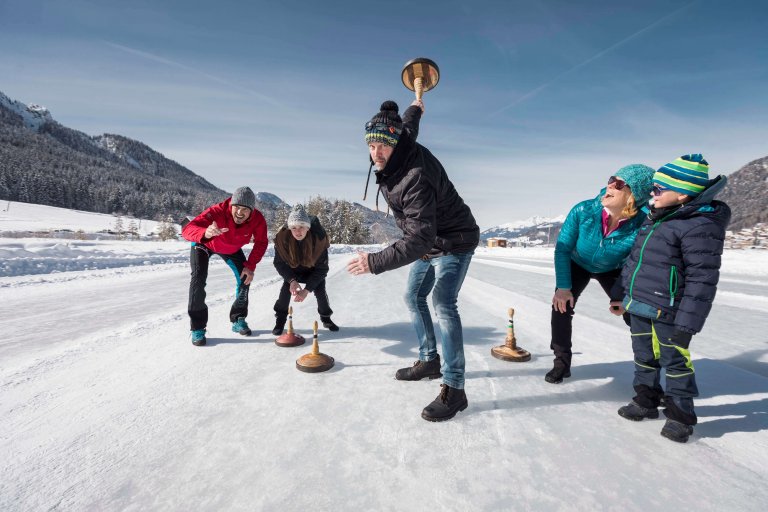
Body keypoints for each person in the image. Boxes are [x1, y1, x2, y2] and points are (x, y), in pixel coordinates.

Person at [347, 99, 479, 422]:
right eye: (371, 145)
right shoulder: (401, 141)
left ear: (395, 144)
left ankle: (455, 388)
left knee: (443, 302)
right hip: (430, 237)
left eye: (382, 146)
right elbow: (408, 124)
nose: (376, 153)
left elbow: (418, 237)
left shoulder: (415, 176)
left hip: (454, 239)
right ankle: (429, 360)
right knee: (413, 296)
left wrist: (374, 262)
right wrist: (414, 106)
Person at [617, 154, 730, 443]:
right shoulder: (657, 217)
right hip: (640, 303)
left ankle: (681, 416)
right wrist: (624, 296)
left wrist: (687, 324)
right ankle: (645, 400)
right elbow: (635, 261)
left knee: (675, 361)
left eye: (658, 189)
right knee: (643, 356)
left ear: (682, 194)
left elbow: (702, 279)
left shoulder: (699, 225)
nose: (651, 194)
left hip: (668, 310)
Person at [548, 163, 656, 384]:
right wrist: (563, 287)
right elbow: (563, 248)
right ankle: (561, 362)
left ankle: (649, 374)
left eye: (618, 184)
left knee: (633, 313)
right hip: (577, 262)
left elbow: (635, 262)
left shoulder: (643, 223)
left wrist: (619, 295)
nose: (609, 186)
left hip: (613, 268)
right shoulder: (584, 210)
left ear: (633, 195)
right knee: (561, 306)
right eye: (610, 180)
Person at [181, 186, 268, 346]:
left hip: (231, 249)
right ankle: (197, 328)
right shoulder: (217, 211)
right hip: (205, 244)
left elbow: (261, 242)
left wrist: (250, 265)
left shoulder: (258, 219)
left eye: (245, 209)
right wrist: (205, 233)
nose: (240, 213)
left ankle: (238, 319)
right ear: (231, 205)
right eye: (237, 207)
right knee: (198, 279)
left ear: (252, 211)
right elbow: (187, 229)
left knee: (245, 277)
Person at [272, 204, 338, 334]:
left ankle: (326, 318)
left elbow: (322, 270)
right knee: (285, 292)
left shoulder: (319, 240)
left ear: (308, 228)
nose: (298, 231)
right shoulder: (282, 240)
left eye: (301, 226)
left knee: (320, 293)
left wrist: (307, 290)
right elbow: (279, 263)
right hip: (294, 272)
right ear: (289, 228)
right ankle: (280, 321)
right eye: (294, 227)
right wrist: (291, 281)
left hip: (313, 271)